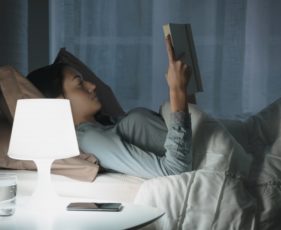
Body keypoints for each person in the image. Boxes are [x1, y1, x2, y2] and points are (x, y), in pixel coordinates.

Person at [27, 35, 193, 179]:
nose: (92, 86)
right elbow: (175, 171)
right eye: (79, 84)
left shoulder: (107, 123)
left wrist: (184, 86)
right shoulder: (89, 139)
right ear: (58, 102)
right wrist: (177, 90)